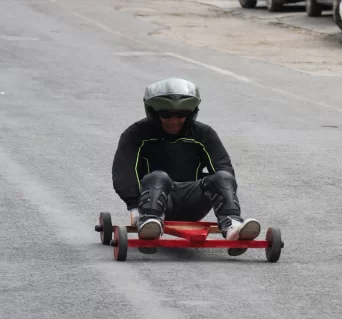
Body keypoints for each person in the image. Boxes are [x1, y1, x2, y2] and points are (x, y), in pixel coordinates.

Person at [111, 77, 260, 256]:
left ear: (191, 114)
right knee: (159, 177)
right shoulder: (135, 134)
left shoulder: (204, 134)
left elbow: (224, 170)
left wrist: (223, 192)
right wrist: (134, 206)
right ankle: (149, 224)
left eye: (181, 114)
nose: (174, 120)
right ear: (153, 112)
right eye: (166, 114)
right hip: (155, 200)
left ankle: (232, 226)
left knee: (223, 177)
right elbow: (124, 172)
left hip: (193, 201)